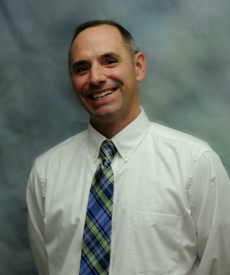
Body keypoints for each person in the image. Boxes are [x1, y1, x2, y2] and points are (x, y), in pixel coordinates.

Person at [27, 20, 230, 275]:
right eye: (82, 68)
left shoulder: (196, 164)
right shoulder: (46, 173)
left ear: (138, 67)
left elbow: (220, 266)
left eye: (109, 61)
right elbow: (47, 266)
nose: (96, 77)